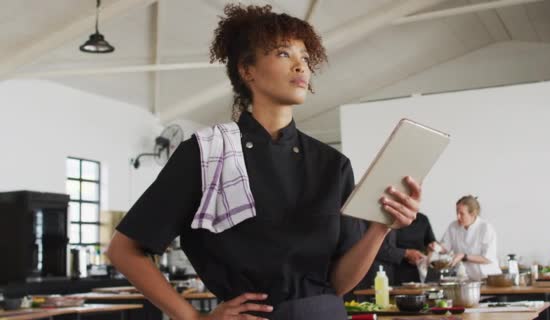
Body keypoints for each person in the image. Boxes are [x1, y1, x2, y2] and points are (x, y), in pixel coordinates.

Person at [106, 5, 422, 320]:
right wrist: (194, 318)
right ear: (248, 70)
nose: (301, 66)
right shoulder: (207, 154)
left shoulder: (333, 165)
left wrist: (381, 228)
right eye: (285, 54)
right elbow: (124, 250)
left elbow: (338, 283)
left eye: (306, 57)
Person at [359, 213, 439, 289]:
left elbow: (431, 243)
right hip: (393, 273)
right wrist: (406, 253)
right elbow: (379, 248)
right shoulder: (388, 219)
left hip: (418, 272)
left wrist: (432, 247)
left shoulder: (422, 219)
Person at [439, 195, 501, 280]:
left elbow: (487, 258)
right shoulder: (453, 226)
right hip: (468, 279)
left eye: (461, 214)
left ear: (473, 214)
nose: (458, 217)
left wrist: (464, 256)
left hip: (489, 278)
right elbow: (444, 248)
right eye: (457, 212)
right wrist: (435, 247)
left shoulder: (485, 228)